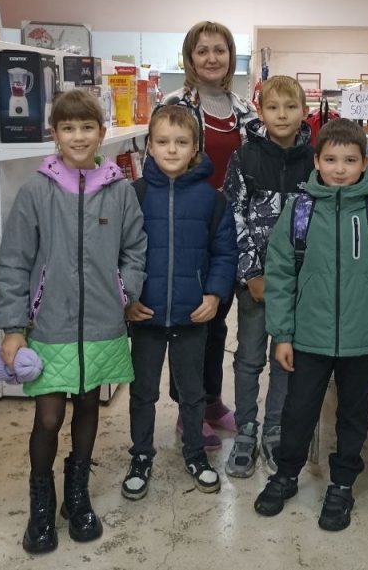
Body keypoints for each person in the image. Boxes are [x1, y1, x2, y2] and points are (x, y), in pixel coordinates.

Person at [0, 90, 147, 554]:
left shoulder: (120, 190)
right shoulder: (36, 191)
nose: (78, 137)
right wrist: (13, 327)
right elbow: (13, 260)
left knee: (87, 405)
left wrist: (123, 292)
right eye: (68, 128)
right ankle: (41, 500)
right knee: (49, 415)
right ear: (55, 134)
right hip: (49, 326)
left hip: (102, 323)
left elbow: (135, 248)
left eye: (86, 127)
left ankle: (77, 495)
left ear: (101, 133)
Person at [253, 119, 368, 532]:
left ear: (365, 163)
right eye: (330, 160)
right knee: (298, 411)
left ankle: (342, 483)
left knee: (354, 414)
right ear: (316, 161)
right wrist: (282, 334)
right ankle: (286, 473)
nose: (339, 169)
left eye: (349, 160)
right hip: (309, 338)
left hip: (365, 340)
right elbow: (281, 274)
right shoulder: (300, 211)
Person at [122, 105, 237, 500]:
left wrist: (215, 294)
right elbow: (119, 252)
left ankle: (194, 453)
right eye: (163, 141)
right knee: (143, 392)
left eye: (181, 142)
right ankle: (141, 455)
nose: (172, 149)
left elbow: (224, 253)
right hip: (146, 315)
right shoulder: (134, 195)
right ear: (150, 147)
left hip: (193, 316)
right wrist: (127, 298)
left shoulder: (212, 200)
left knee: (192, 391)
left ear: (195, 149)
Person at [163, 20, 257, 446]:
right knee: (191, 320)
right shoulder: (175, 105)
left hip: (230, 228)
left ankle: (212, 401)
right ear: (190, 57)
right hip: (188, 226)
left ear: (231, 56)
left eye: (220, 50)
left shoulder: (245, 109)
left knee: (218, 320)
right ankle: (189, 409)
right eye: (202, 50)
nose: (212, 58)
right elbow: (161, 163)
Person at [222, 75, 314, 478]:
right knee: (248, 357)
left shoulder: (315, 161)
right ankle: (246, 428)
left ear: (304, 112)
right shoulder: (245, 158)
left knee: (285, 357)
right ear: (259, 111)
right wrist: (251, 273)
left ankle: (276, 428)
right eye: (273, 107)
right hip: (255, 286)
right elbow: (233, 216)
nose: (282, 115)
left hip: (299, 284)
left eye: (290, 107)